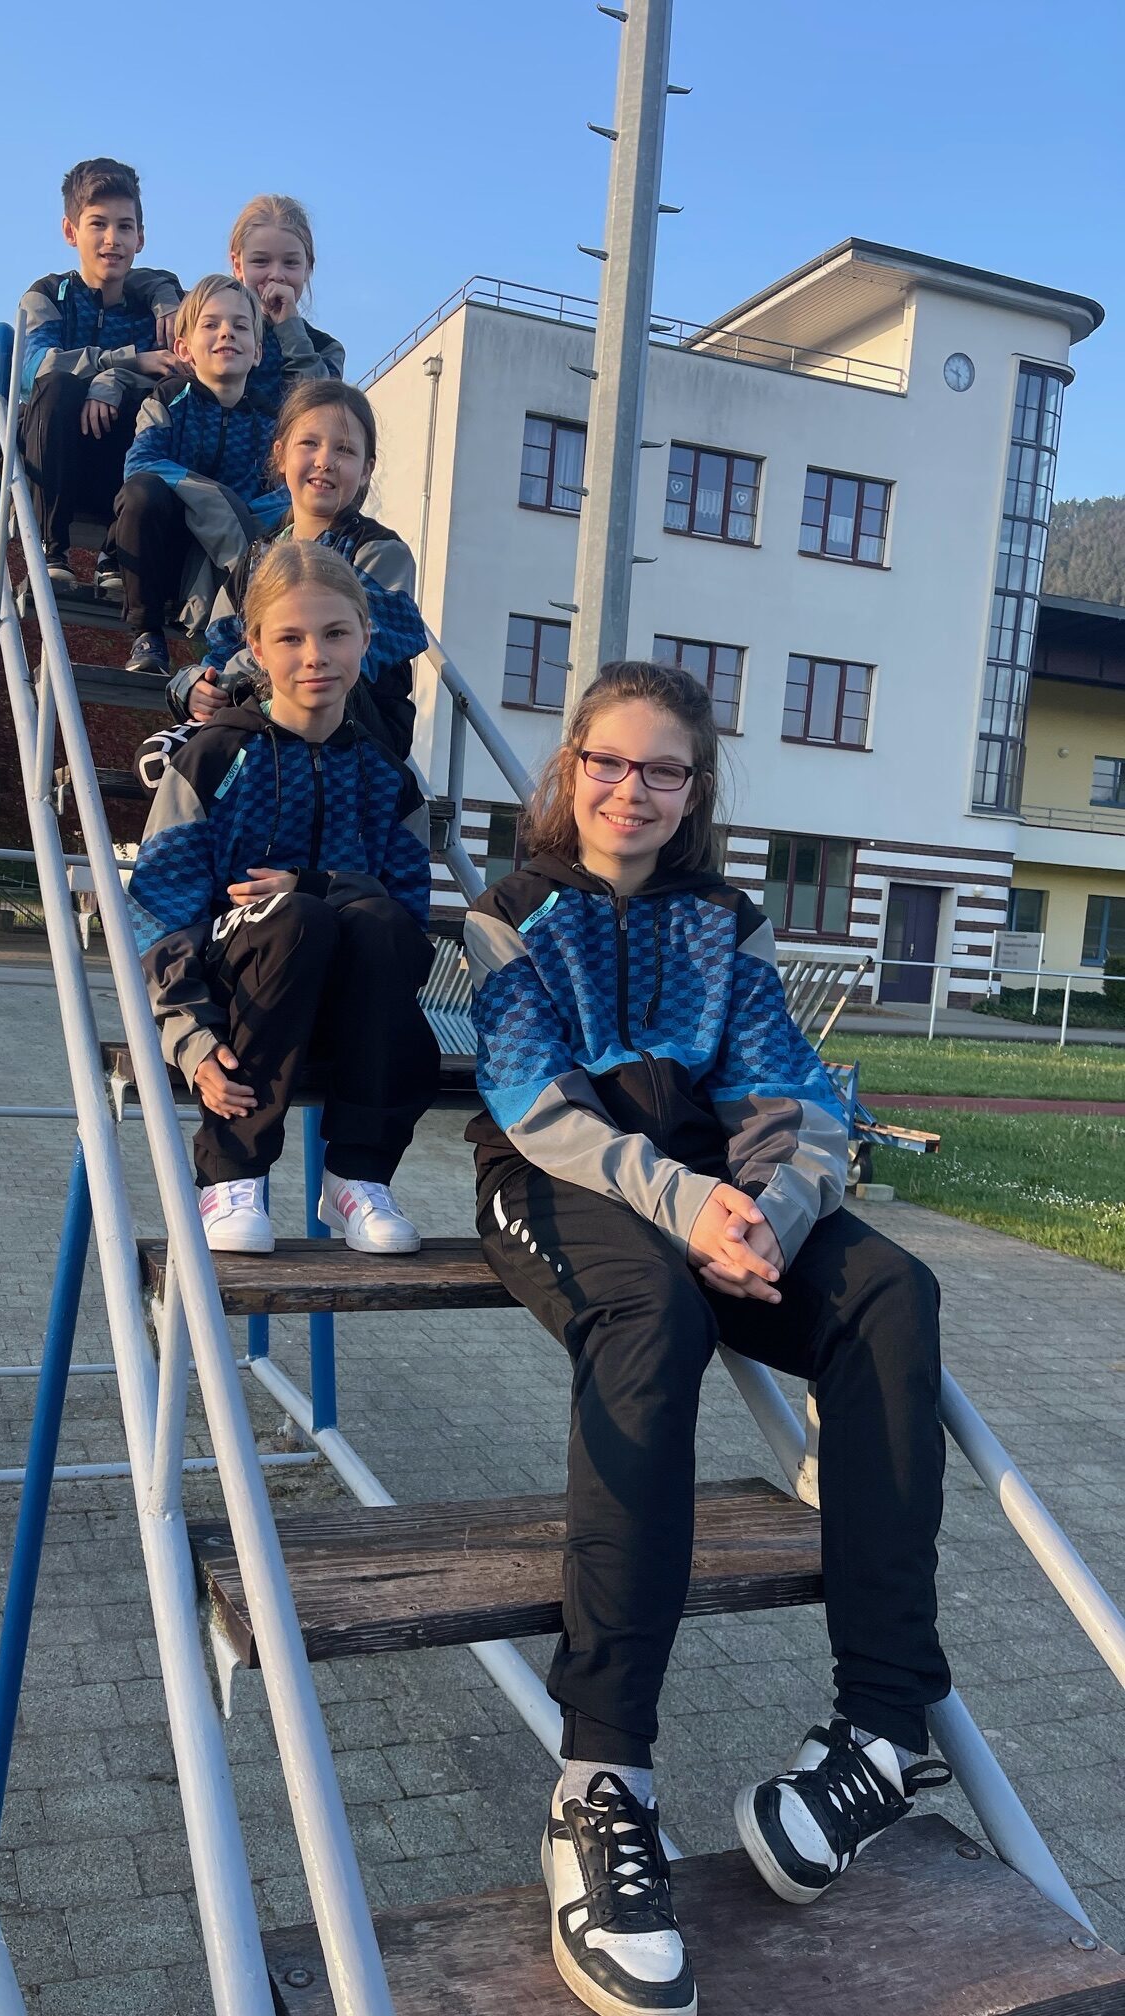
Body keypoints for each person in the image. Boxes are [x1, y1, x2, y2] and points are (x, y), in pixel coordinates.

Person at [464, 659, 952, 2016]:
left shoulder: (725, 924)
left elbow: (787, 1090)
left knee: (893, 1295)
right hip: (553, 1186)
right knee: (655, 1309)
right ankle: (601, 1777)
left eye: (663, 769)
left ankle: (884, 1726)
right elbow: (538, 1100)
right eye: (607, 763)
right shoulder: (509, 914)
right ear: (569, 770)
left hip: (715, 1197)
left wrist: (778, 1216)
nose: (632, 790)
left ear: (694, 791)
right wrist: (687, 1209)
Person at [128, 543, 437, 1257]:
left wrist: (319, 883)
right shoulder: (211, 757)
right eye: (290, 638)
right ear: (256, 649)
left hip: (352, 1009)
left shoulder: (389, 779)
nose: (315, 656)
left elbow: (410, 919)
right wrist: (191, 1039)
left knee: (374, 921)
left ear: (366, 637)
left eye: (335, 634)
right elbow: (159, 911)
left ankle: (356, 1178)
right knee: (293, 918)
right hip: (238, 1008)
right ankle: (232, 1176)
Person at [142, 380, 424, 783]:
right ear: (280, 456)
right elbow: (222, 643)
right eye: (309, 443)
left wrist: (239, 679)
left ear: (366, 470)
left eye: (344, 449)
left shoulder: (380, 550)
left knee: (229, 758)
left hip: (353, 721)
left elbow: (362, 650)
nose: (325, 460)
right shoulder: (257, 554)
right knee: (159, 761)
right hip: (257, 706)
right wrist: (197, 686)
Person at [109, 276, 288, 679]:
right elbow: (140, 462)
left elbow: (281, 493)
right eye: (211, 324)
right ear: (183, 348)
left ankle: (244, 644)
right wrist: (213, 497)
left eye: (241, 326)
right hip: (165, 545)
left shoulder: (270, 421)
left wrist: (236, 515)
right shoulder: (169, 397)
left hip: (227, 557)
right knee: (142, 493)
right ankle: (147, 632)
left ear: (257, 351)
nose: (227, 332)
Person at [15, 159, 183, 587]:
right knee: (57, 386)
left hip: (121, 463)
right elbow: (35, 366)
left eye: (125, 227)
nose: (113, 240)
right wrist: (124, 360)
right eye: (98, 225)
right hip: (53, 459)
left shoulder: (160, 307)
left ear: (141, 238)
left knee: (166, 395)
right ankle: (53, 551)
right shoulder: (48, 295)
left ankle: (115, 552)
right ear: (71, 231)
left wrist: (115, 382)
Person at [228, 194, 344, 413]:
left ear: (307, 268)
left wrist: (290, 329)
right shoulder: (210, 327)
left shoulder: (325, 347)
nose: (276, 274)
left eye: (290, 263)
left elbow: (321, 410)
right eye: (261, 261)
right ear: (238, 265)